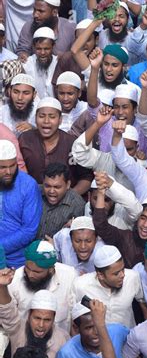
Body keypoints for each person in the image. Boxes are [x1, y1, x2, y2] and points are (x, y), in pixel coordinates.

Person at [0, 274, 69, 358]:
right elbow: (7, 310)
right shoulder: (17, 327)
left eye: (47, 320)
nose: (41, 325)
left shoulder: (62, 339)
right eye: (37, 318)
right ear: (29, 316)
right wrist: (2, 286)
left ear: (54, 319)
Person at [8, 239, 75, 333]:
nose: (30, 274)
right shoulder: (15, 279)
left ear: (51, 269)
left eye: (37, 272)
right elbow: (7, 316)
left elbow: (74, 312)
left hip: (60, 339)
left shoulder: (69, 276)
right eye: (27, 268)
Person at [72, 245, 146, 328]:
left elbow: (143, 304)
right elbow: (74, 320)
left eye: (123, 269)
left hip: (128, 338)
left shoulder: (132, 277)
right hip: (98, 339)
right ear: (100, 275)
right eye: (116, 273)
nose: (123, 275)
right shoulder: (80, 285)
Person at [54, 299, 129, 358]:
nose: (96, 332)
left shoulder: (117, 331)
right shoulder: (67, 353)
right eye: (89, 327)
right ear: (76, 328)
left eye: (98, 325)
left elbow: (137, 345)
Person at [0, 139, 42, 267]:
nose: (8, 172)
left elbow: (29, 230)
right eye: (2, 167)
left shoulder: (28, 185)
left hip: (16, 261)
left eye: (12, 166)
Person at [37, 163, 86, 239]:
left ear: (68, 185)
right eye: (47, 186)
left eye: (57, 187)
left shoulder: (77, 205)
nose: (51, 191)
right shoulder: (34, 193)